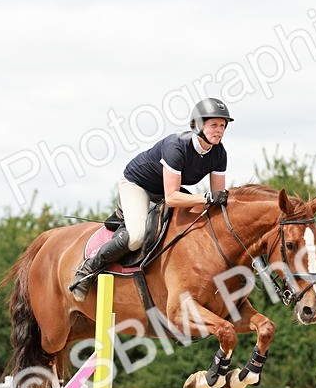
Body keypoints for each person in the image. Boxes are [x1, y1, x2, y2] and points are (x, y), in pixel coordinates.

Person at [70, 97, 233, 300]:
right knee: (137, 235)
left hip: (165, 189)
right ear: (198, 125)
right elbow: (173, 198)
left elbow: (217, 201)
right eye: (214, 125)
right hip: (138, 185)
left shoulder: (219, 153)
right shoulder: (177, 146)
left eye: (223, 126)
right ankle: (88, 269)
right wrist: (208, 197)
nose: (219, 130)